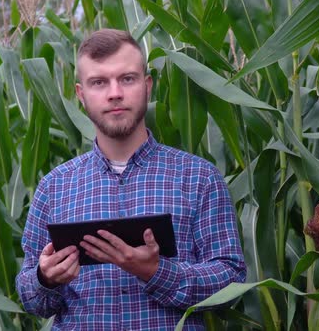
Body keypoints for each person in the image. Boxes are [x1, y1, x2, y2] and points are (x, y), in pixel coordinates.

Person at [15, 28, 247, 330]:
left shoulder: (198, 178)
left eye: (127, 79)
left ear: (147, 85)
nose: (115, 93)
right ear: (81, 94)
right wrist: (44, 278)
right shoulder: (54, 188)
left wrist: (157, 272)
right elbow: (31, 298)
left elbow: (231, 281)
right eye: (99, 82)